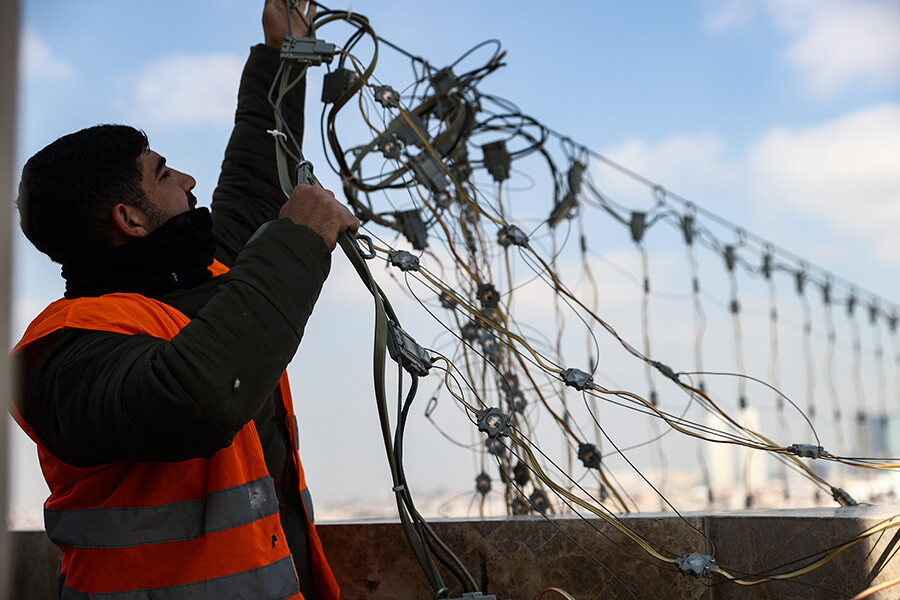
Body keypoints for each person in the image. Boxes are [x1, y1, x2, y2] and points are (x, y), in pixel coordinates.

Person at [11, 1, 359, 599]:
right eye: (163, 172)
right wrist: (297, 242)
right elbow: (197, 396)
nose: (189, 181)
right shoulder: (60, 353)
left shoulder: (201, 277)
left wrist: (281, 54)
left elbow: (253, 171)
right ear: (130, 219)